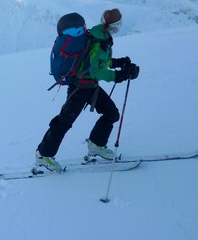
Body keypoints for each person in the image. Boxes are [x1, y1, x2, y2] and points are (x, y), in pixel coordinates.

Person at [35, 9, 140, 172]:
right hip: (80, 88)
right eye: (118, 25)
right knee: (64, 121)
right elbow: (97, 70)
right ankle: (43, 155)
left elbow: (97, 62)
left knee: (111, 114)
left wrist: (119, 63)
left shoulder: (99, 35)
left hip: (90, 86)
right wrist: (121, 75)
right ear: (114, 26)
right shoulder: (99, 41)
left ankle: (96, 145)